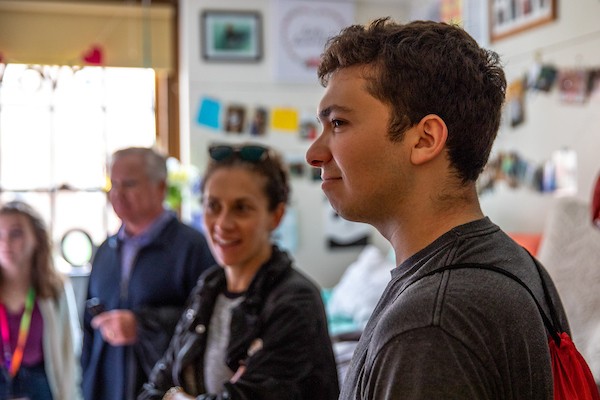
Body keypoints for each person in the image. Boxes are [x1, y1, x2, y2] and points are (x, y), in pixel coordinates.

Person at [306, 18, 571, 399]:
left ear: (425, 139)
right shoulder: (520, 265)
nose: (314, 154)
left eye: (338, 123)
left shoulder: (430, 325)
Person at [139, 143, 339, 400]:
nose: (222, 223)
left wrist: (174, 395)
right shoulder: (209, 287)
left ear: (275, 216)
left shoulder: (295, 300)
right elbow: (152, 390)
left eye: (241, 208)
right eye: (213, 206)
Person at [81, 147, 216, 400]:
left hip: (167, 391)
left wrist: (142, 325)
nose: (118, 194)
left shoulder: (193, 247)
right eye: (114, 184)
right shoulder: (105, 251)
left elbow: (209, 323)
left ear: (161, 188)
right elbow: (88, 333)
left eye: (129, 184)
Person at [0, 200, 82, 400]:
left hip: (41, 385)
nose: (5, 242)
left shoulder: (55, 289)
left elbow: (69, 350)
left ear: (36, 238)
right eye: (0, 234)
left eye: (16, 233)